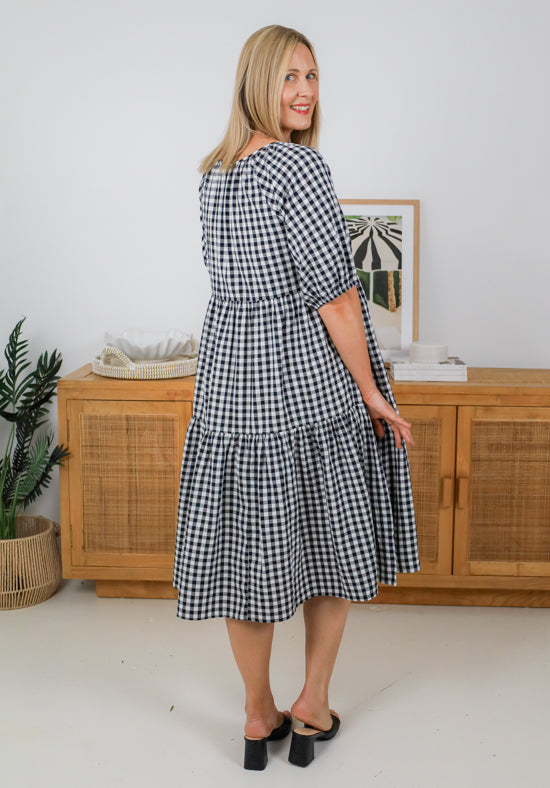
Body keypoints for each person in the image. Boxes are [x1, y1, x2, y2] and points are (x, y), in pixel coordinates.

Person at [172, 24, 421, 770]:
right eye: (288, 77)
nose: (305, 91)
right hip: (304, 381)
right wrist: (373, 394)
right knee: (328, 542)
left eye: (311, 75)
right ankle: (310, 706)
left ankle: (257, 716)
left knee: (247, 551)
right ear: (257, 82)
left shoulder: (214, 171)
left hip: (228, 379)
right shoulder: (298, 170)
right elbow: (338, 301)